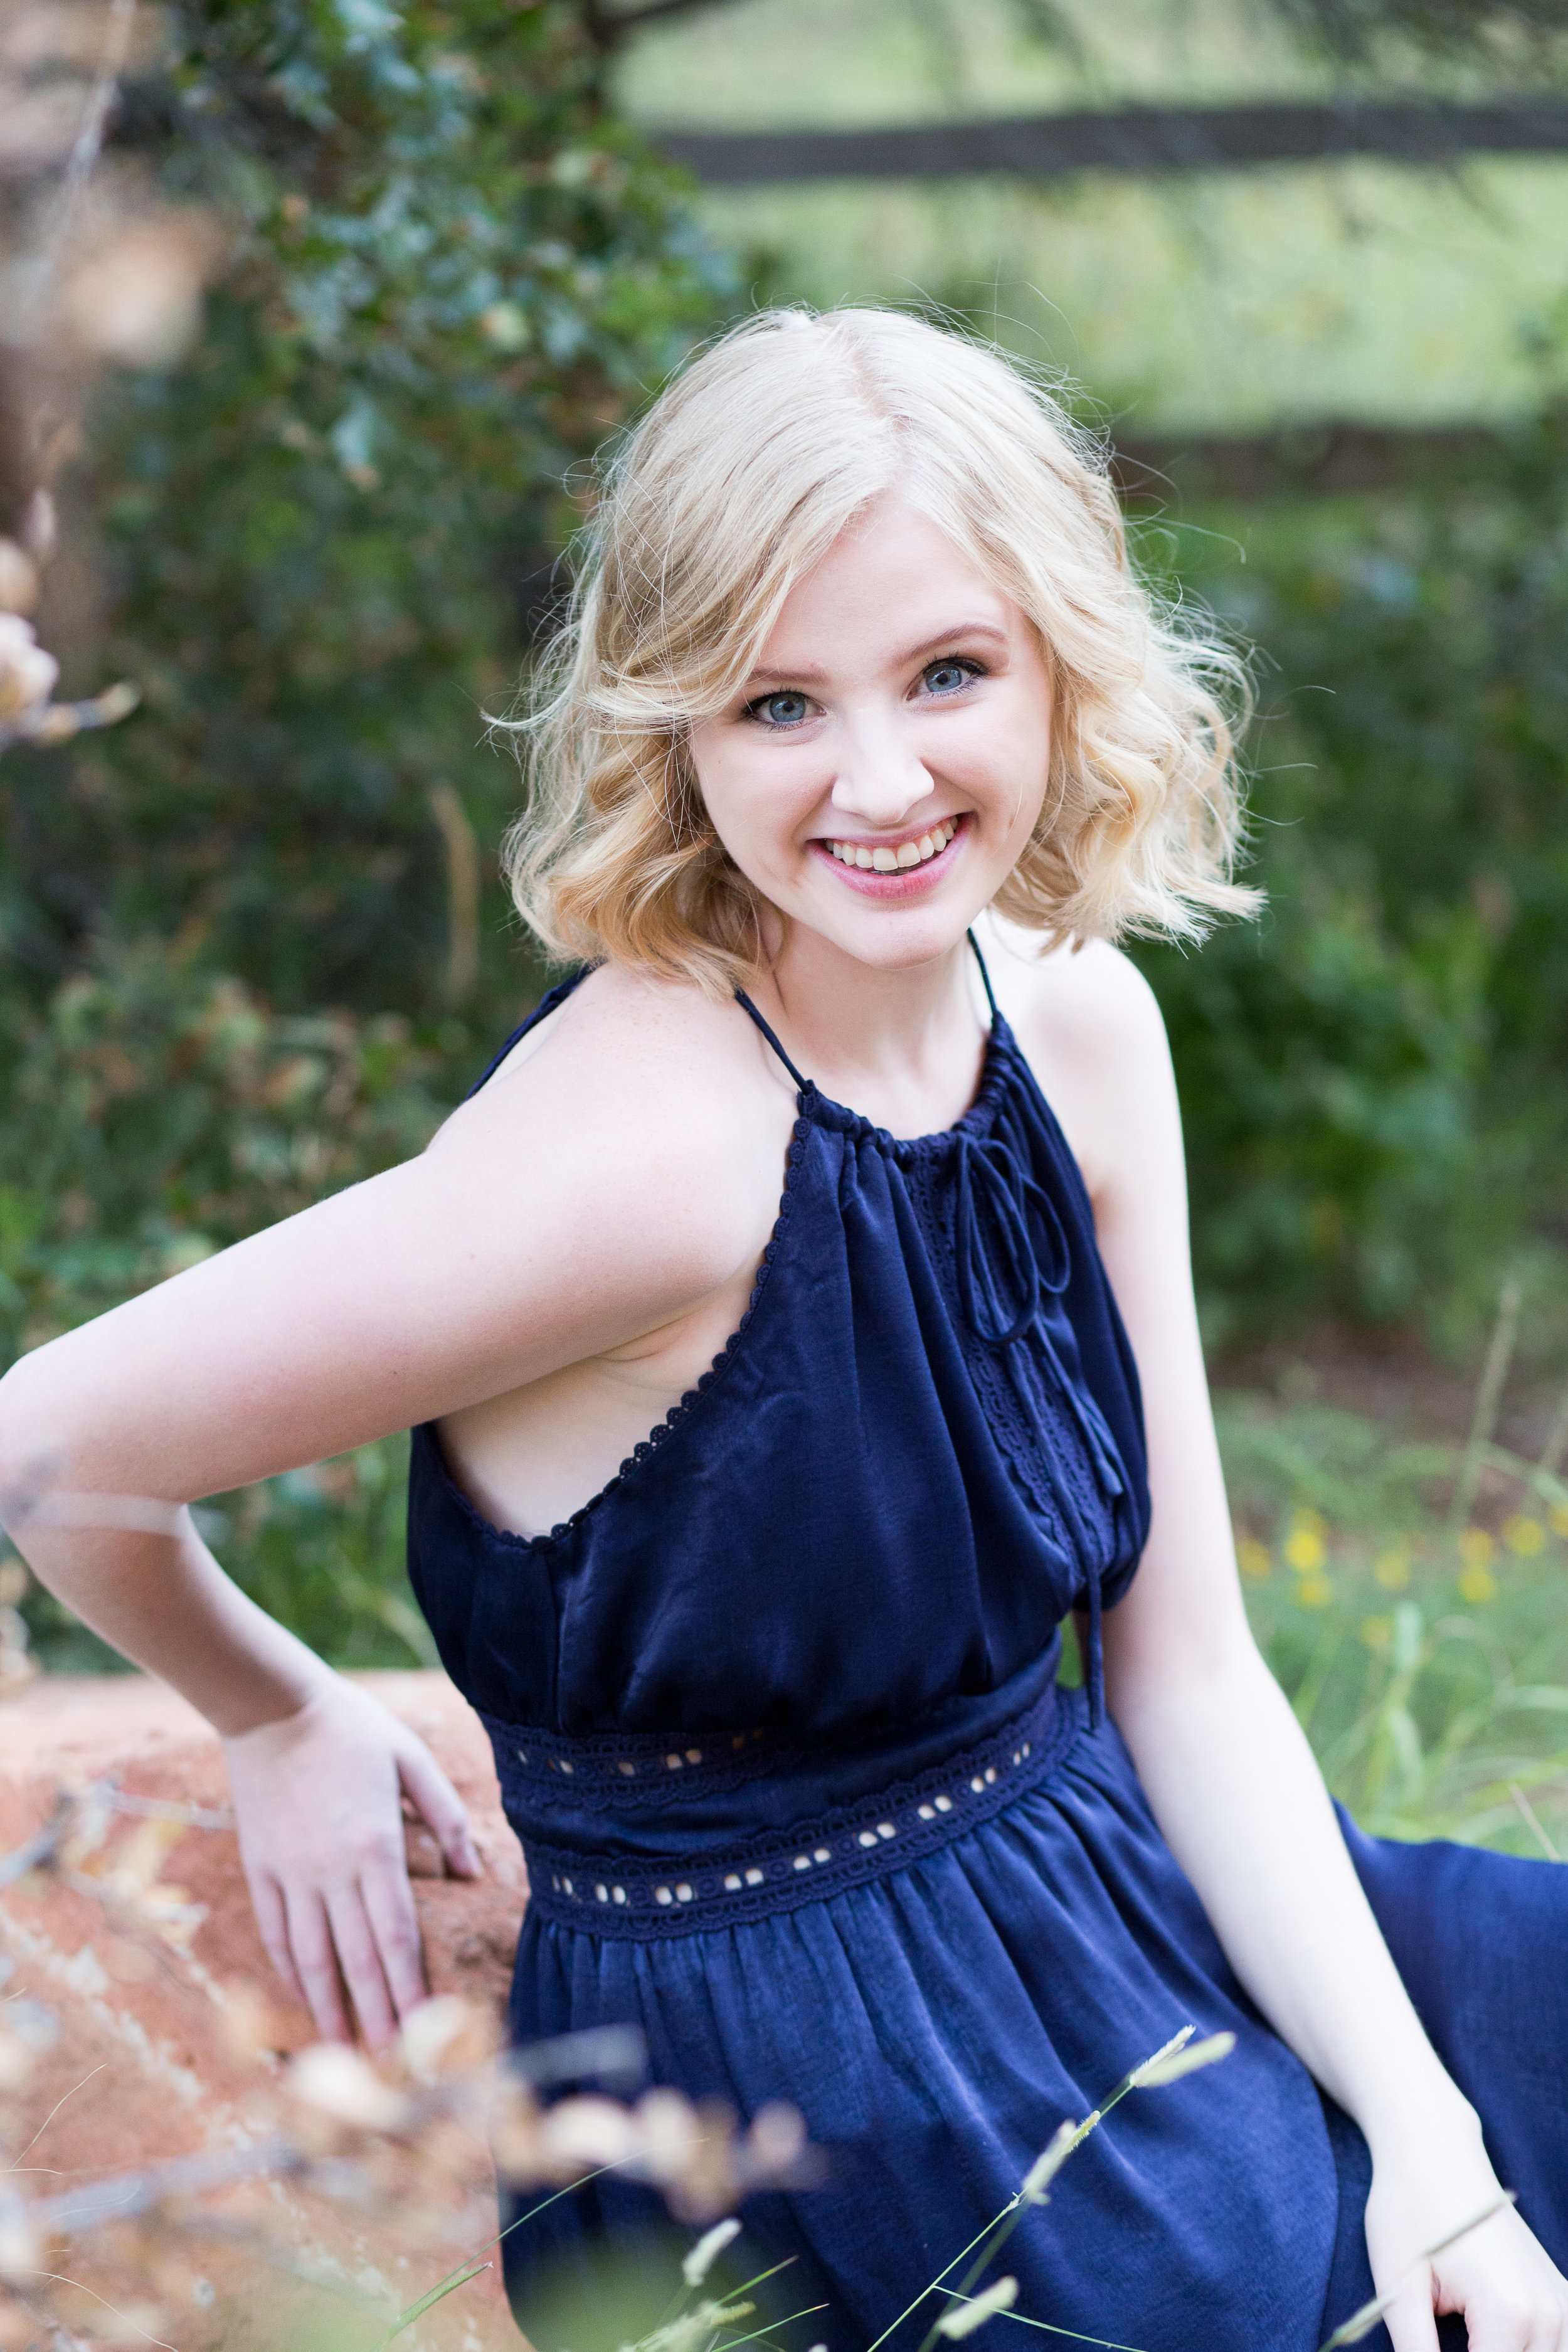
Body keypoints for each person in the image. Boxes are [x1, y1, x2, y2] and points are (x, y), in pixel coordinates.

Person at [1, 307, 1565, 2352]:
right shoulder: (634, 1157)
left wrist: (1426, 2128)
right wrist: (276, 1707)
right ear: (674, 728)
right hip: (816, 2066)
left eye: (944, 674)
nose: (884, 781)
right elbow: (56, 1444)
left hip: (1098, 1865)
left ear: (1058, 654)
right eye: (777, 706)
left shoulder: (1075, 1022)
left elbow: (1181, 1670)